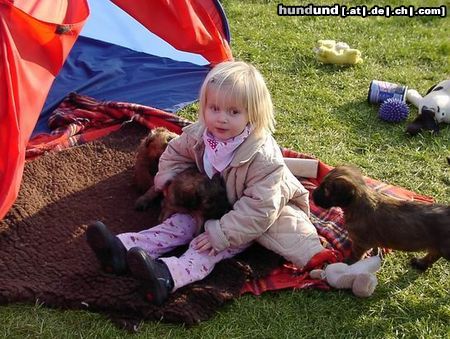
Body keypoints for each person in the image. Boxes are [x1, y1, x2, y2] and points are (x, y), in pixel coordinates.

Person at [86, 60, 338, 305]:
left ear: (253, 114)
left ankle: (165, 277)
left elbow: (260, 209)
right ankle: (122, 249)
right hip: (209, 203)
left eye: (234, 112)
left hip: (243, 220)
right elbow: (174, 153)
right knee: (177, 225)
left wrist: (221, 232)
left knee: (204, 249)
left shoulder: (263, 157)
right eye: (214, 109)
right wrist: (168, 180)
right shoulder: (200, 134)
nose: (221, 119)